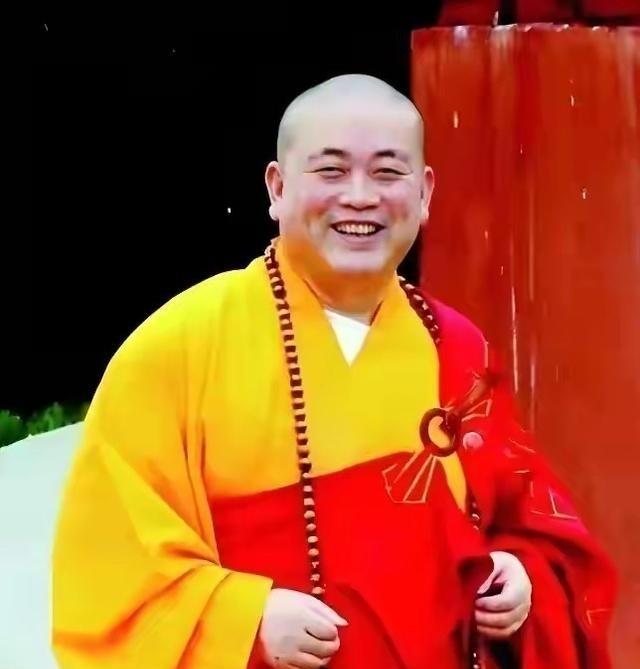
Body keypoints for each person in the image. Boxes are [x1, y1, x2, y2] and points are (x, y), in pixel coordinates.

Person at [52, 74, 616, 669]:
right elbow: (110, 563)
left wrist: (520, 576)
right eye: (331, 171)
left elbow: (532, 525)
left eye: (388, 172)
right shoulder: (179, 346)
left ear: (425, 192)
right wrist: (244, 620)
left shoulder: (457, 347)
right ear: (277, 188)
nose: (361, 197)